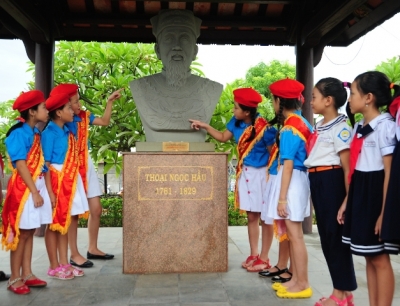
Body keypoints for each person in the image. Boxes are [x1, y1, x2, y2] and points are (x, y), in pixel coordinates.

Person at [189, 87, 277, 272]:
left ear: (246, 111)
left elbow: (272, 155)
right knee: (252, 216)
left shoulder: (264, 129)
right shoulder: (236, 123)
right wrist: (205, 125)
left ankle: (265, 257)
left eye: (236, 108)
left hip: (262, 175)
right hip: (245, 174)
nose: (233, 110)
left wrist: (273, 181)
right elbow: (222, 137)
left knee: (265, 218)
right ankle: (254, 254)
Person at [50, 84, 121, 266]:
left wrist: (109, 103)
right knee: (73, 213)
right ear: (65, 106)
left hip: (86, 164)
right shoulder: (63, 124)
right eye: (74, 102)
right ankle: (74, 254)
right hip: (70, 168)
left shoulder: (83, 117)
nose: (78, 104)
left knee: (96, 209)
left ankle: (92, 248)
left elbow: (104, 122)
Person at [342, 71, 397, 306]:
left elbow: (389, 174)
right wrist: (347, 201)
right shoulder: (359, 128)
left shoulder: (386, 127)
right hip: (361, 192)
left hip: (377, 195)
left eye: (353, 93)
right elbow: (356, 169)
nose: (350, 99)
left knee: (380, 259)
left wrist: (385, 212)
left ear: (369, 98)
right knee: (368, 254)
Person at [130, 9, 223, 142]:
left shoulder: (211, 89)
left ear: (195, 51)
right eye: (169, 38)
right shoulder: (141, 87)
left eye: (184, 38)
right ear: (157, 50)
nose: (177, 46)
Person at [304, 78, 357, 306]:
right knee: (327, 238)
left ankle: (339, 294)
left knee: (335, 238)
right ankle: (344, 293)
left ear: (328, 100)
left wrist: (347, 199)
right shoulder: (320, 125)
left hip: (332, 181)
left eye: (314, 97)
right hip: (318, 180)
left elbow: (347, 168)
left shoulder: (341, 128)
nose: (311, 101)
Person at [264, 78, 313, 299]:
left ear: (279, 101)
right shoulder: (301, 122)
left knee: (295, 235)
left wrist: (282, 198)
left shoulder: (291, 127)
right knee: (294, 235)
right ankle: (295, 279)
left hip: (293, 180)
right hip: (298, 180)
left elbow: (288, 163)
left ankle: (302, 283)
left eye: (273, 100)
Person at [1, 90, 51, 294]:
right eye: (43, 107)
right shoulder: (18, 134)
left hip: (34, 188)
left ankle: (27, 273)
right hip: (23, 191)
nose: (47, 111)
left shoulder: (36, 133)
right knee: (21, 234)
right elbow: (21, 165)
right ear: (32, 112)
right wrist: (35, 192)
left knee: (29, 232)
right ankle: (14, 278)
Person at [42, 93, 88, 280]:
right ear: (59, 113)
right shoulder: (48, 133)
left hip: (69, 178)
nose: (73, 110)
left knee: (64, 222)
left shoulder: (68, 130)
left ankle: (64, 263)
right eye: (68, 108)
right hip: (56, 180)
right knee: (54, 224)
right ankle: (54, 265)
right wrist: (50, 192)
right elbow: (45, 164)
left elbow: (78, 116)